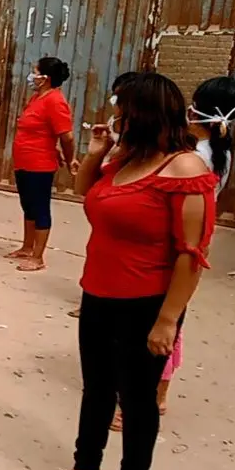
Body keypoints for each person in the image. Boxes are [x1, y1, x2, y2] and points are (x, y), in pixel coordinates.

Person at [35, 73, 218, 470]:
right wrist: (98, 153)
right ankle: (85, 468)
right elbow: (82, 191)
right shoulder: (125, 159)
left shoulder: (185, 171)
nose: (115, 118)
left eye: (122, 111)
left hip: (146, 303)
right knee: (96, 388)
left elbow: (190, 255)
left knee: (137, 403)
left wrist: (168, 320)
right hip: (98, 291)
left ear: (143, 114)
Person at [109, 75, 235, 432]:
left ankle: (155, 394)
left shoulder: (192, 158)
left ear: (197, 108)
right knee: (166, 319)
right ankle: (152, 391)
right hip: (191, 237)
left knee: (166, 323)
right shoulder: (219, 150)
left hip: (179, 243)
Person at [69, 70, 140, 321]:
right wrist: (96, 152)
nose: (114, 109)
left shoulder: (154, 164)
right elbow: (82, 188)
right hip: (104, 243)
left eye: (118, 102)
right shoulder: (114, 146)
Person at [4, 57, 76, 272]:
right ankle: (27, 247)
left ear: (45, 78)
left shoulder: (55, 101)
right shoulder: (37, 98)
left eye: (34, 72)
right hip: (24, 161)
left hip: (40, 164)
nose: (31, 76)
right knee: (28, 206)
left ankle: (38, 256)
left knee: (40, 208)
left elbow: (67, 136)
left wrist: (69, 156)